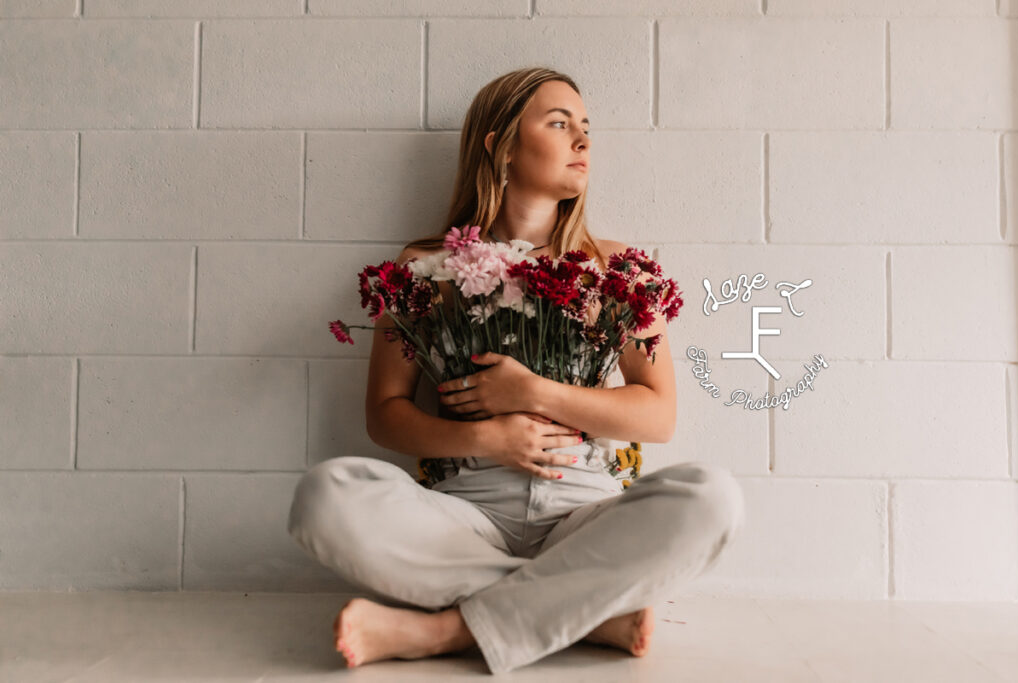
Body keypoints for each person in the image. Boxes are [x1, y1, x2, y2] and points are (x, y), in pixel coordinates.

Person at [287, 67, 746, 675]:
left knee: (711, 499)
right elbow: (385, 416)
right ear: (500, 145)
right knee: (324, 497)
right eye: (559, 124)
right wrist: (484, 437)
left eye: (586, 128)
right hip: (466, 515)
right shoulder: (427, 269)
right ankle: (582, 609)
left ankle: (447, 632)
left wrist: (532, 392)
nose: (582, 141)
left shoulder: (618, 269)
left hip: (585, 514)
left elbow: (657, 416)